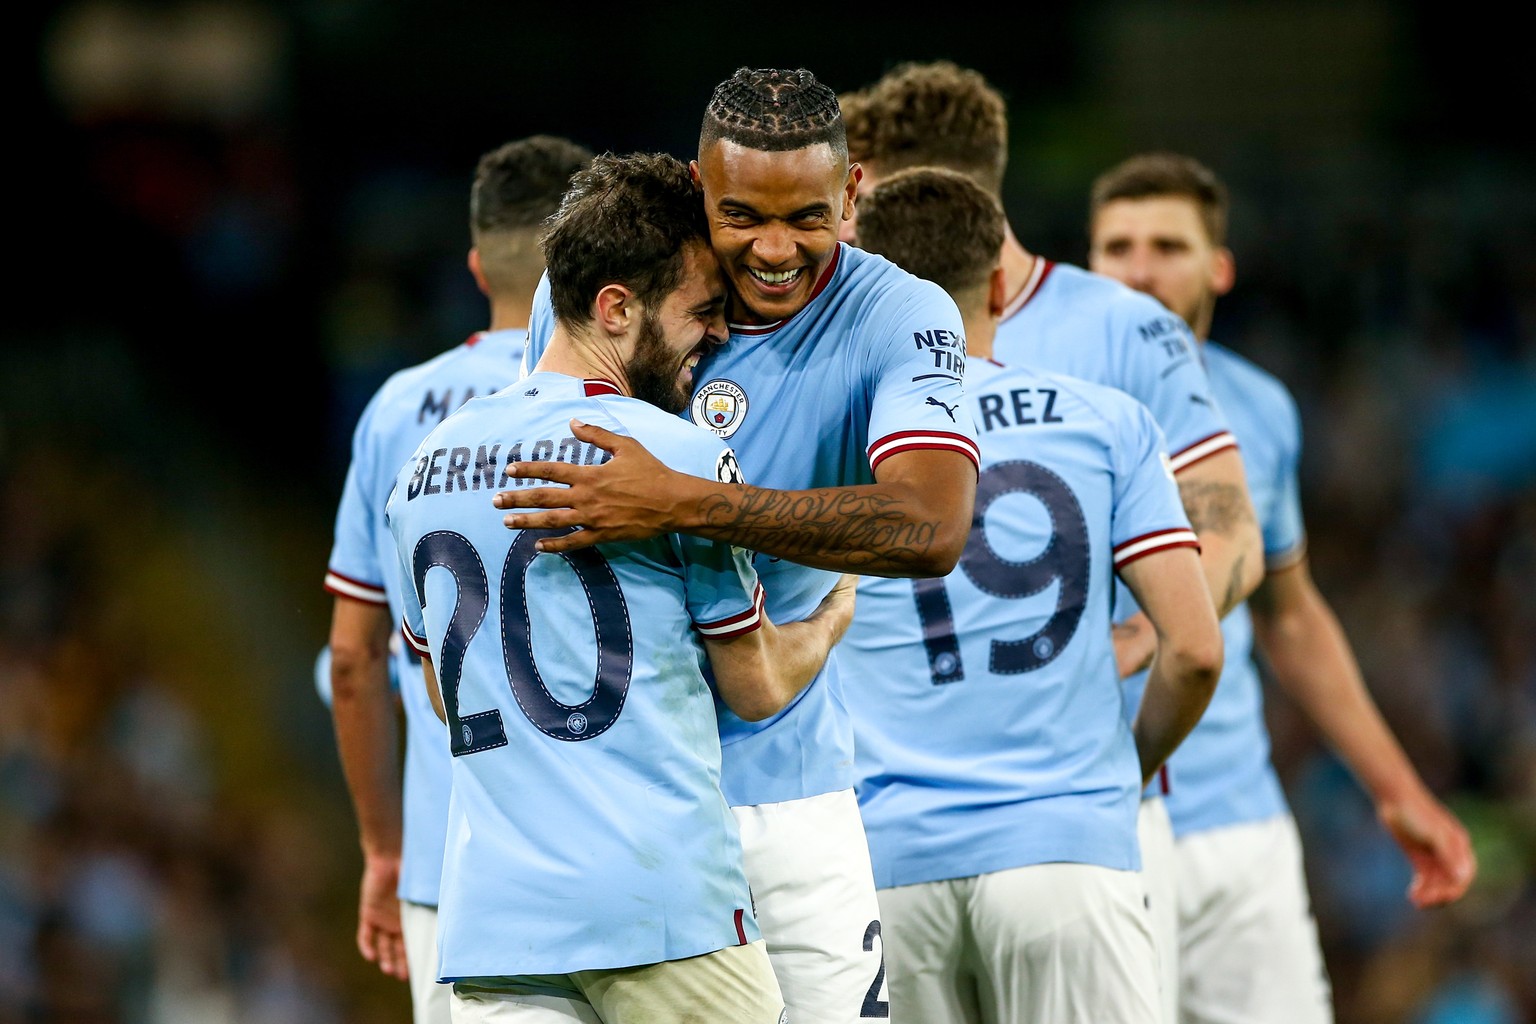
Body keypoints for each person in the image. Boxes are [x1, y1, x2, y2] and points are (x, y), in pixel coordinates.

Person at [501, 67, 982, 1023]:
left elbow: (932, 526)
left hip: (784, 791)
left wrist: (688, 503)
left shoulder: (902, 315)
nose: (773, 250)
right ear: (696, 190)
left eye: (807, 216)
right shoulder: (620, 295)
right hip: (617, 795)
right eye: (740, 217)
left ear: (853, 197)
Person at [387, 149, 859, 1023]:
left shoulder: (419, 471)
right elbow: (753, 685)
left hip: (496, 925)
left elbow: (448, 699)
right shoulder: (672, 458)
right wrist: (832, 616)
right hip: (661, 907)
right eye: (701, 311)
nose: (716, 336)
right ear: (616, 307)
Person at [837, 61, 1263, 1018]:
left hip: (917, 833)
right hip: (1070, 809)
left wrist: (1149, 637)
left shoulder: (1121, 328)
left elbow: (1231, 525)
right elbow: (1203, 628)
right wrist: (1154, 680)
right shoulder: (1095, 409)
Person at [1086, 150, 1478, 1024]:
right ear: (1086, 268)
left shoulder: (1260, 408)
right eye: (1118, 247)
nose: (1141, 268)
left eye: (1168, 245)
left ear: (1219, 267)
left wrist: (1398, 790)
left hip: (1238, 820)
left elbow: (1293, 620)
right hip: (1095, 821)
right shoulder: (1048, 407)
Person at [320, 133, 593, 1022]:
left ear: (478, 265)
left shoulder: (400, 410)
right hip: (616, 846)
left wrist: (382, 850)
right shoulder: (630, 405)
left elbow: (354, 663)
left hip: (455, 860)